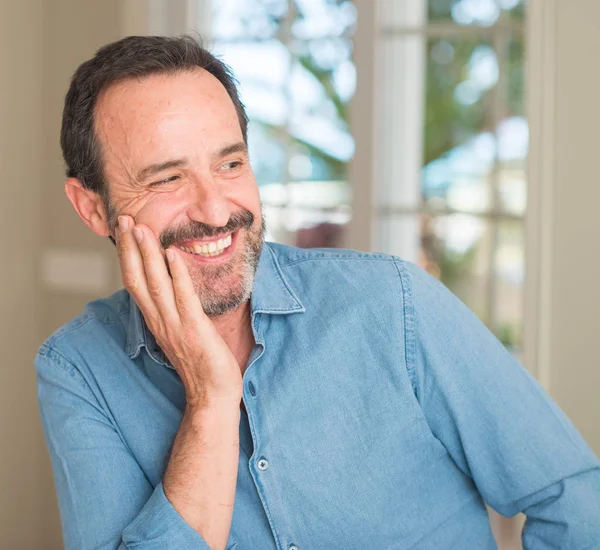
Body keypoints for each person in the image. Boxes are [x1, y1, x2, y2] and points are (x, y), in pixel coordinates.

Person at [35, 35, 600, 550]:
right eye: (167, 178)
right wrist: (211, 400)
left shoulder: (392, 303)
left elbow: (576, 505)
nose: (215, 210)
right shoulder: (79, 368)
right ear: (92, 208)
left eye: (230, 163)